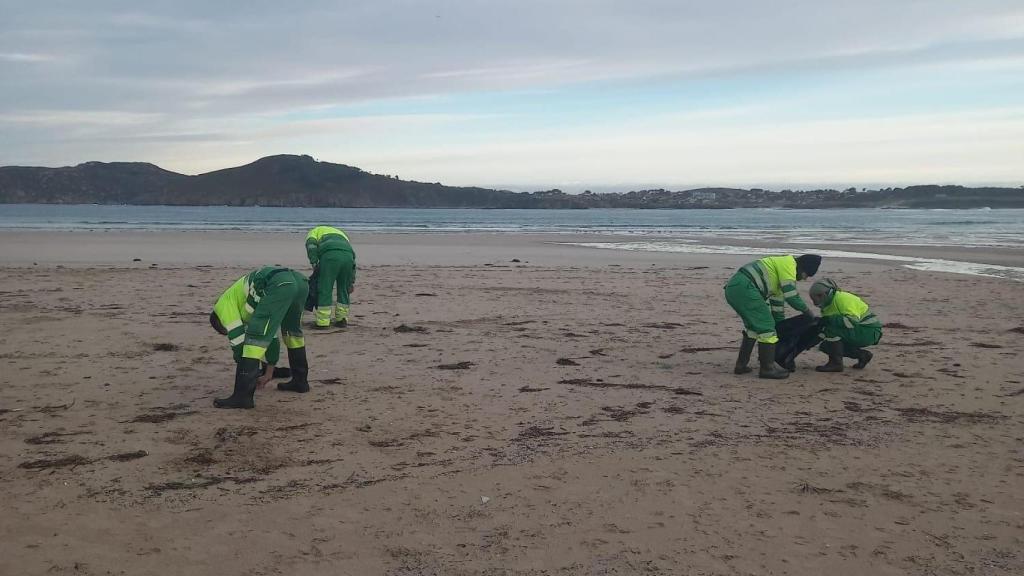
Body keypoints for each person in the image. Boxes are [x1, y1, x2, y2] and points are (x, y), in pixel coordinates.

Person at [209, 266, 310, 409]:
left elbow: (238, 342)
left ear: (220, 323)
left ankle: (242, 397)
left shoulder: (222, 306)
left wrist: (248, 372)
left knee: (254, 336)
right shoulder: (248, 305)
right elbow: (271, 338)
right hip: (300, 282)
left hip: (278, 284)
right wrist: (269, 373)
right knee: (292, 332)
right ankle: (300, 381)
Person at [723, 254, 822, 379]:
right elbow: (792, 296)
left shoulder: (778, 276)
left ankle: (741, 365)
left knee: (754, 328)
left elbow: (777, 310)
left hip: (736, 288)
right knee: (766, 327)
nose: (804, 279)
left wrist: (781, 330)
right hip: (746, 288)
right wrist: (808, 312)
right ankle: (767, 369)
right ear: (802, 268)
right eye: (806, 275)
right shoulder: (788, 265)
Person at [809, 279, 882, 372]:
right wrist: (811, 341)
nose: (815, 302)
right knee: (826, 346)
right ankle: (862, 355)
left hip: (869, 330)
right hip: (862, 330)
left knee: (831, 330)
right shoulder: (827, 306)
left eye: (819, 297)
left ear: (827, 293)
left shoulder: (842, 299)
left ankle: (836, 364)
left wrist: (829, 320)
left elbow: (851, 322)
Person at [305, 225, 356, 328]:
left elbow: (311, 246)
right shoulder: (341, 233)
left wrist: (314, 263)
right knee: (344, 289)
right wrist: (351, 281)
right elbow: (353, 261)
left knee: (325, 288)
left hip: (330, 257)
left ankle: (323, 323)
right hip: (349, 257)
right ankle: (342, 319)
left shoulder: (314, 232)